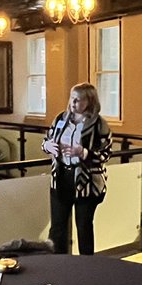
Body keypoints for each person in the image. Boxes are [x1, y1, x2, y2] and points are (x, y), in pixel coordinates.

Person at [41, 82, 112, 255]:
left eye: (78, 100)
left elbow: (106, 154)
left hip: (86, 183)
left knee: (84, 227)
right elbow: (46, 141)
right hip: (61, 177)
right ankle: (59, 264)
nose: (73, 103)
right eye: (72, 98)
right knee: (57, 227)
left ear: (90, 101)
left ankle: (86, 268)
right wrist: (48, 146)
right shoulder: (60, 119)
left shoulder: (99, 125)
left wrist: (84, 153)